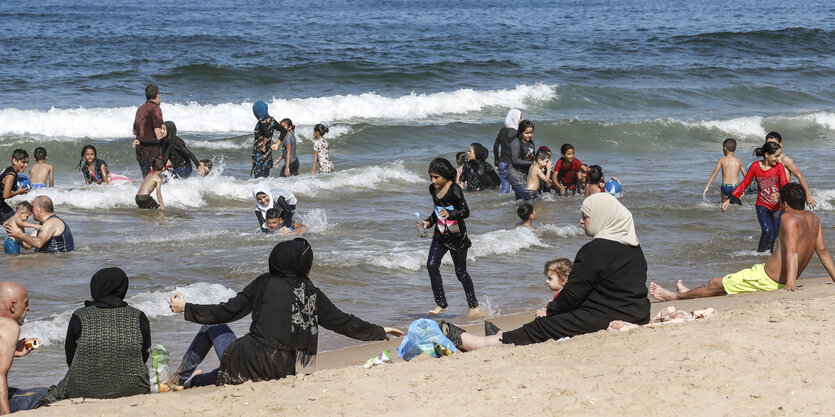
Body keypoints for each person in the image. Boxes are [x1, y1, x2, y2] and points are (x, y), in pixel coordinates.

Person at [166, 239, 404, 387]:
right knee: (222, 373)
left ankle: (181, 379)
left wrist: (186, 308)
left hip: (249, 359)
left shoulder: (264, 282)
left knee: (212, 329)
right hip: (280, 370)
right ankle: (194, 381)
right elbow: (341, 321)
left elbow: (226, 312)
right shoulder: (310, 293)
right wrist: (379, 331)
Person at [441, 193, 650, 351]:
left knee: (547, 324)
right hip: (638, 312)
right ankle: (505, 334)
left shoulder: (594, 250)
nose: (581, 221)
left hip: (610, 315)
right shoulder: (634, 247)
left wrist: (549, 310)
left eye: (585, 216)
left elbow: (573, 293)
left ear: (601, 217)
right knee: (560, 317)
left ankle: (481, 343)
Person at [650, 183, 835, 300]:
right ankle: (687, 292)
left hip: (766, 278)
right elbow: (823, 252)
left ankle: (673, 296)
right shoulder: (813, 218)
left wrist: (790, 285)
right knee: (724, 286)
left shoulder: (788, 219)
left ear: (785, 204)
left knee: (715, 284)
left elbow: (793, 251)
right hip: (772, 277)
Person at [40, 268, 151, 404]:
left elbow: (71, 357)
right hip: (135, 389)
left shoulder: (80, 316)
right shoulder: (138, 316)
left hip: (82, 390)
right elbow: (144, 354)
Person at [418, 158, 480, 317]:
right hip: (440, 235)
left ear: (445, 175)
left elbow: (465, 212)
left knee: (461, 273)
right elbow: (436, 211)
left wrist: (451, 213)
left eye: (436, 177)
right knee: (431, 266)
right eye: (431, 177)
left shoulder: (454, 190)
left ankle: (473, 305)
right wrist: (428, 222)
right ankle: (441, 303)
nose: (433, 181)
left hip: (457, 237)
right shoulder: (433, 189)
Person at [722, 141, 788, 253]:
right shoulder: (755, 166)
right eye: (776, 156)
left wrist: (779, 193)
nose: (778, 159)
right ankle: (759, 254)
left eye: (779, 156)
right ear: (767, 155)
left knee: (774, 235)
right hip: (762, 206)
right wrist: (730, 199)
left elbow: (785, 184)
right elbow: (744, 184)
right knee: (767, 230)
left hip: (777, 208)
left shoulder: (779, 167)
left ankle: (768, 258)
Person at [0, 282, 47, 414]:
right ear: (12, 306)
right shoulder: (9, 326)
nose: (28, 308)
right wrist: (5, 414)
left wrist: (11, 351)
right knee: (49, 393)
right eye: (26, 303)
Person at [4, 196, 74, 253]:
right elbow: (28, 245)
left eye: (32, 207)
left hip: (55, 263)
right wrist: (14, 237)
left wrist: (19, 234)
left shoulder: (53, 222)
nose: (31, 210)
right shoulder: (42, 224)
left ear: (40, 210)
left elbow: (38, 243)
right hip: (46, 262)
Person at [765, 132, 816, 208]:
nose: (771, 146)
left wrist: (808, 195)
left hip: (784, 195)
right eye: (768, 144)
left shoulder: (784, 159)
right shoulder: (767, 160)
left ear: (780, 144)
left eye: (773, 144)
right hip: (771, 196)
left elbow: (799, 176)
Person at [132, 84, 165, 177]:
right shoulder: (156, 108)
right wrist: (165, 135)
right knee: (155, 178)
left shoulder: (140, 109)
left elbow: (135, 131)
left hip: (140, 149)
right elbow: (158, 134)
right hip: (151, 149)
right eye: (160, 95)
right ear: (157, 95)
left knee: (146, 178)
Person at [702, 138, 746, 203]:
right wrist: (743, 189)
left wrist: (707, 187)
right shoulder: (739, 161)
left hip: (725, 187)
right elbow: (747, 176)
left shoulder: (721, 160)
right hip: (735, 187)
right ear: (735, 149)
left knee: (723, 204)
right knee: (736, 205)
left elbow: (714, 174)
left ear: (725, 148)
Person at [251, 101, 286, 178]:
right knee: (266, 176)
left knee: (259, 177)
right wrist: (277, 144)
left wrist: (263, 146)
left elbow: (267, 133)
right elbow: (284, 130)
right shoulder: (271, 119)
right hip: (267, 153)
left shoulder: (261, 120)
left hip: (260, 153)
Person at [493, 109, 521, 194]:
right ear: (514, 118)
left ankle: (498, 202)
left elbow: (495, 146)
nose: (521, 120)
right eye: (520, 117)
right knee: (515, 188)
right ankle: (499, 204)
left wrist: (497, 162)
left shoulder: (502, 130)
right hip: (511, 164)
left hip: (501, 163)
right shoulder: (516, 133)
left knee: (505, 187)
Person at [507, 120, 536, 200]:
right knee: (529, 197)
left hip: (524, 174)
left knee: (520, 200)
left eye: (531, 132)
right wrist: (532, 163)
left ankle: (515, 211)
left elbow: (532, 157)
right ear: (521, 132)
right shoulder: (516, 142)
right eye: (527, 133)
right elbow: (515, 160)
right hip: (514, 174)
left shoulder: (531, 143)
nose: (529, 135)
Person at [1, 150, 30, 226]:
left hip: (1, 204)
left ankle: (12, 238)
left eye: (27, 162)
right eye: (23, 162)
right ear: (14, 161)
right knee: (16, 224)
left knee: (14, 224)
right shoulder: (11, 175)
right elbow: (6, 195)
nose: (26, 165)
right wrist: (18, 192)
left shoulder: (9, 169)